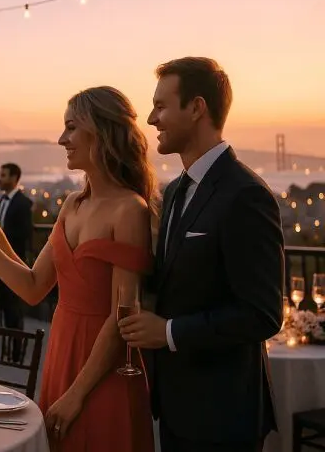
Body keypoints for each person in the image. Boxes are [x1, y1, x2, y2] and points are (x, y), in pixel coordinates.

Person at [0, 87, 156, 451]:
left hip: (102, 370)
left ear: (102, 131)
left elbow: (121, 317)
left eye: (71, 128)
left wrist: (77, 394)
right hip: (62, 354)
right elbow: (32, 286)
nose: (62, 139)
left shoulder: (130, 210)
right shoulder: (72, 204)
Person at [119, 57, 284, 452]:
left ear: (196, 108)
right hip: (176, 405)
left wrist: (169, 332)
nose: (151, 117)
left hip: (223, 414)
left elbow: (262, 314)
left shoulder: (246, 194)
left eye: (161, 106)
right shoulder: (175, 191)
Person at [0, 162, 33, 329]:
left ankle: (16, 350)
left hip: (15, 262)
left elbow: (24, 234)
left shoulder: (23, 204)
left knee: (14, 307)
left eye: (3, 175)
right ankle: (7, 347)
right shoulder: (1, 202)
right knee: (5, 305)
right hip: (1, 263)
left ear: (14, 178)